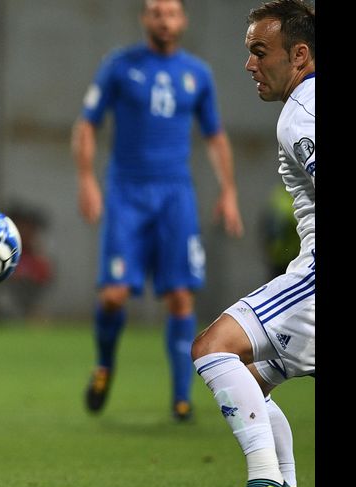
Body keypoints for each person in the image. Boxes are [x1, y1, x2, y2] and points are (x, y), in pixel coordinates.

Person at [72, 0, 244, 420]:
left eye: (171, 13)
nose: (164, 20)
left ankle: (181, 397)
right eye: (155, 12)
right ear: (144, 19)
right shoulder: (119, 65)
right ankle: (105, 364)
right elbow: (87, 124)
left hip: (175, 194)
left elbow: (215, 136)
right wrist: (87, 180)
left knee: (181, 296)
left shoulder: (197, 73)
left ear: (182, 20)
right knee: (113, 296)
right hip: (127, 192)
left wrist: (228, 191)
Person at [190, 1, 314, 487]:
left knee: (213, 348)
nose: (249, 64)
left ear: (300, 55)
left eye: (260, 52)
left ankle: (267, 483)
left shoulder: (302, 113)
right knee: (251, 386)